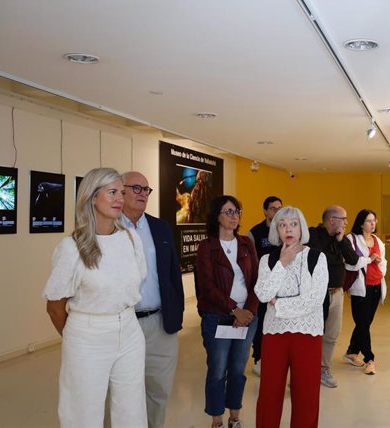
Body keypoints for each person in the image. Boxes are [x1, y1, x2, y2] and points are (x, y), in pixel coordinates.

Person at [43, 167, 147, 428]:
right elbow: (55, 306)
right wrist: (78, 339)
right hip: (87, 335)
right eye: (112, 192)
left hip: (130, 330)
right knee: (83, 413)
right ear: (91, 197)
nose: (120, 199)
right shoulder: (72, 247)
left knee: (132, 410)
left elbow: (136, 281)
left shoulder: (131, 239)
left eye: (121, 193)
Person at [254, 207, 328, 427]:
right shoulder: (268, 260)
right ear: (276, 229)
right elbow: (263, 294)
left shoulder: (317, 257)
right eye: (282, 224)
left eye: (294, 224)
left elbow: (314, 300)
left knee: (306, 395)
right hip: (274, 334)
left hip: (308, 334)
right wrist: (283, 263)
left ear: (301, 228)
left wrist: (279, 304)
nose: (288, 229)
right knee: (269, 393)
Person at [122, 171, 185, 428]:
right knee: (123, 391)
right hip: (125, 324)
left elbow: (172, 273)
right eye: (136, 188)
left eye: (146, 190)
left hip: (160, 322)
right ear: (120, 191)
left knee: (159, 390)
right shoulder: (106, 229)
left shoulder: (160, 227)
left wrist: (176, 314)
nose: (142, 194)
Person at [195, 195, 259, 428]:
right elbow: (207, 287)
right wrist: (234, 310)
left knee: (238, 370)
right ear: (217, 216)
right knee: (217, 370)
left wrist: (249, 311)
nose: (235, 216)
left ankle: (235, 418)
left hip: (247, 318)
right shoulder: (207, 247)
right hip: (218, 317)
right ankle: (217, 421)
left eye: (237, 211)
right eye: (229, 212)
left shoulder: (246, 244)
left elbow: (256, 282)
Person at [307, 205, 360, 388]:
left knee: (332, 334)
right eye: (343, 218)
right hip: (317, 294)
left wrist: (340, 240)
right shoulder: (313, 234)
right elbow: (319, 258)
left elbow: (353, 259)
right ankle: (307, 370)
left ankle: (323, 369)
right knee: (314, 333)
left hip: (337, 293)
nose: (346, 222)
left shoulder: (340, 238)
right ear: (331, 220)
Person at [342, 209, 387, 376]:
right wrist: (370, 259)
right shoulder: (352, 240)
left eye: (374, 220)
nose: (373, 223)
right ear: (361, 223)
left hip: (376, 286)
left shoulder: (378, 241)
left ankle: (352, 351)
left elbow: (383, 262)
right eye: (369, 221)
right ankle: (369, 359)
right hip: (361, 288)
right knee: (362, 323)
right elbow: (350, 263)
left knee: (365, 323)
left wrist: (381, 267)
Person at [247, 195, 283, 376]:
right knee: (261, 323)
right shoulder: (255, 233)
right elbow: (251, 263)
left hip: (283, 289)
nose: (276, 212)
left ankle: (276, 358)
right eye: (273, 208)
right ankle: (259, 358)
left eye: (279, 208)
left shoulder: (285, 231)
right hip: (262, 287)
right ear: (265, 211)